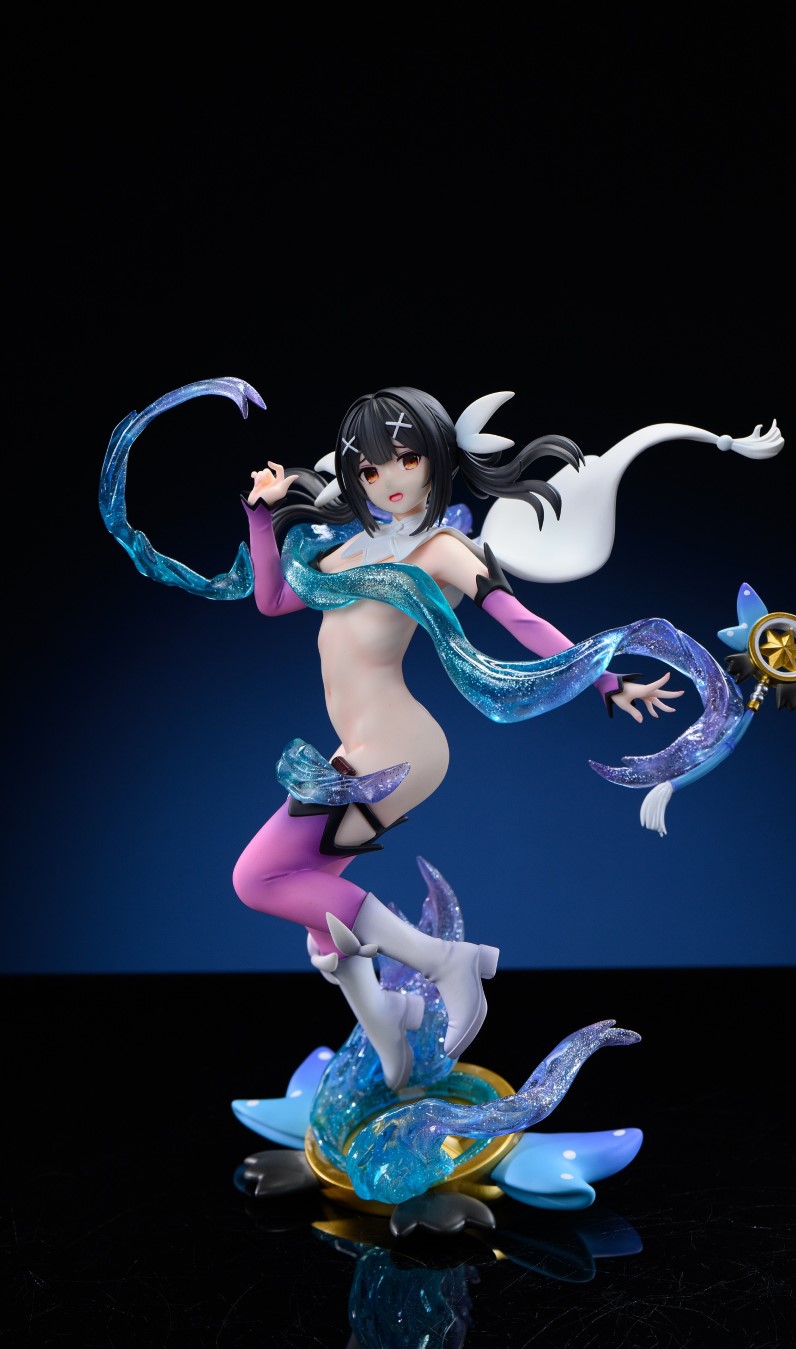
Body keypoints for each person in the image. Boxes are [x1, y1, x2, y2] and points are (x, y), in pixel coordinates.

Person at [230, 386, 681, 1089]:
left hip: (399, 748)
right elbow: (272, 599)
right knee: (319, 911)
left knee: (257, 877)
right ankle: (392, 1034)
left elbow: (519, 617)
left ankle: (446, 963)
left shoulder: (441, 549)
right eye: (370, 467)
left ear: (436, 459)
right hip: (358, 750)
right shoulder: (351, 550)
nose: (389, 479)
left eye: (406, 458)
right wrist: (261, 516)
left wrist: (604, 679)